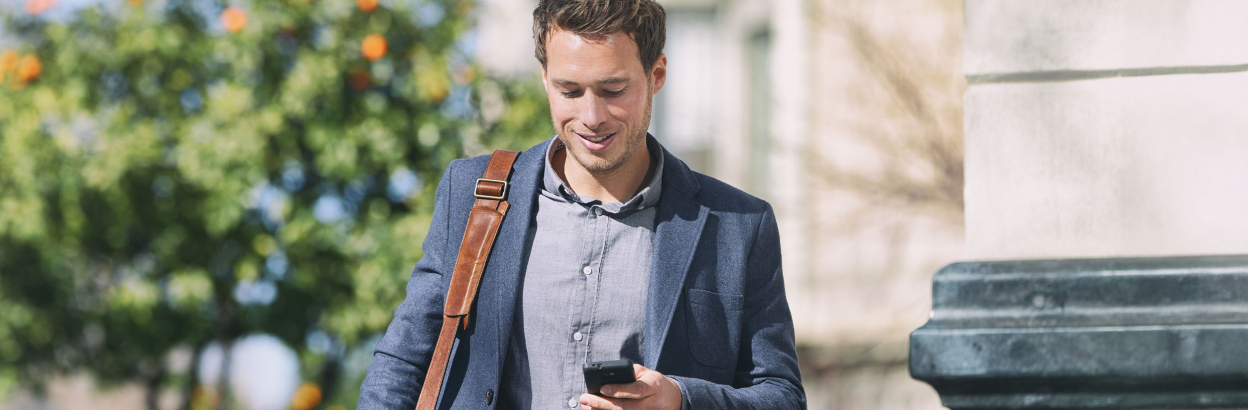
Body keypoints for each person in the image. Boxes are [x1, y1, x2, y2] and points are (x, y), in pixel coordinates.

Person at [358, 1, 805, 408]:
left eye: (613, 90)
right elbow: (402, 363)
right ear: (544, 79)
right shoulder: (473, 193)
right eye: (570, 91)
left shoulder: (738, 225)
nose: (592, 117)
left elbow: (782, 397)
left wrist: (679, 399)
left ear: (657, 75)